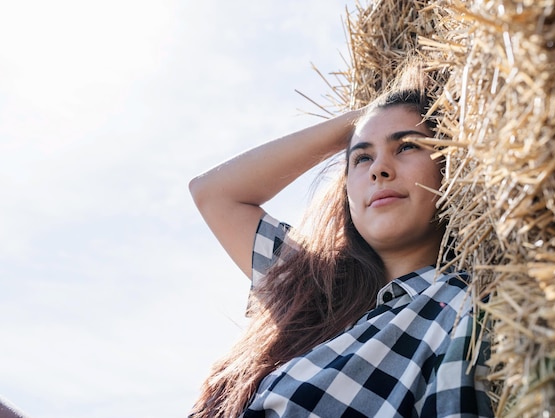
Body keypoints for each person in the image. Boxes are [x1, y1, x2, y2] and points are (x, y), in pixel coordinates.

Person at [188, 62, 493, 417]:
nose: (379, 169)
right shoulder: (308, 289)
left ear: (451, 169)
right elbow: (212, 193)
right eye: (362, 157)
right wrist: (366, 116)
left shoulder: (456, 309)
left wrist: (375, 123)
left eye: (407, 146)